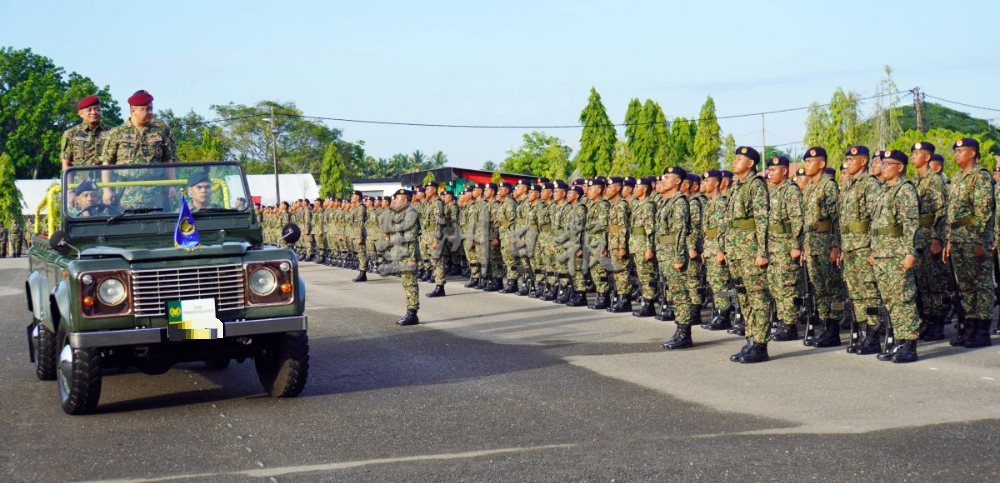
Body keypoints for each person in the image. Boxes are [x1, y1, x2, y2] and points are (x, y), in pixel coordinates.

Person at [868, 150, 921, 362]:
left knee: (903, 299)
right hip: (882, 254)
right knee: (890, 300)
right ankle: (898, 341)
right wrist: (873, 250)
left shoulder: (905, 190)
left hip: (897, 254)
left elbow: (910, 224)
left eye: (888, 163)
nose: (883, 166)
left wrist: (909, 252)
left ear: (900, 167)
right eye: (883, 162)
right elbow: (876, 225)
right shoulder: (883, 190)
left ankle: (909, 344)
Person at [943, 138, 995, 348]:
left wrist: (979, 240)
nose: (956, 154)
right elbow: (952, 213)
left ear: (972, 153)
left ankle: (982, 330)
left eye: (961, 151)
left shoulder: (980, 176)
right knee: (966, 286)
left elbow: (983, 212)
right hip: (957, 239)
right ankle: (970, 327)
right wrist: (949, 239)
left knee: (980, 285)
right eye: (955, 151)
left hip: (973, 239)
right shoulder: (957, 178)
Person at [722, 147, 772, 363]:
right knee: (744, 296)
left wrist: (762, 251)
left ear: (751, 163)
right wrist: (726, 249)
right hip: (736, 251)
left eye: (740, 158)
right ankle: (751, 338)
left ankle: (760, 344)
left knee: (758, 297)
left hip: (751, 251)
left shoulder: (756, 185)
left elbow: (762, 221)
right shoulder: (736, 187)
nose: (735, 161)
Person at [837, 146, 884, 354]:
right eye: (846, 159)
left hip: (864, 245)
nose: (847, 163)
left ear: (863, 161)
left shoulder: (870, 184)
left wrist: (875, 248)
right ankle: (863, 331)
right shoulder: (848, 186)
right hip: (849, 246)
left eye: (851, 159)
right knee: (855, 292)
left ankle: (874, 334)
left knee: (869, 291)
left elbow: (876, 218)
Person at [101, 90, 178, 208]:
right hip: (125, 196)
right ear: (133, 111)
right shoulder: (117, 133)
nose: (150, 112)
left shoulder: (159, 131)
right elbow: (107, 162)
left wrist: (172, 184)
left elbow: (167, 160)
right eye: (146, 109)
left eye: (151, 109)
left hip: (156, 195)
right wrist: (107, 190)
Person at [801, 147, 845, 347]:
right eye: (806, 162)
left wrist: (836, 246)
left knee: (833, 287)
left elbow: (836, 219)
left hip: (827, 243)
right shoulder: (809, 187)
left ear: (821, 164)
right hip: (812, 244)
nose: (806, 165)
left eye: (810, 162)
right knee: (819, 288)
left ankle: (834, 327)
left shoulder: (829, 186)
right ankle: (825, 324)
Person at [911, 143, 950, 341]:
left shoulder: (934, 180)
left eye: (917, 153)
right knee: (923, 284)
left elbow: (941, 212)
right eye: (912, 153)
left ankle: (939, 321)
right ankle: (927, 319)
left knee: (937, 284)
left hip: (931, 237)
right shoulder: (915, 182)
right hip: (919, 238)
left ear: (927, 158)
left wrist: (937, 239)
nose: (913, 157)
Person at [764, 156, 805, 341]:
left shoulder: (791, 191)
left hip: (786, 245)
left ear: (785, 171)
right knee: (775, 285)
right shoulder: (772, 192)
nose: (769, 173)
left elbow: (797, 219)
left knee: (787, 286)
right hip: (773, 245)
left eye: (773, 170)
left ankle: (790, 325)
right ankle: (782, 321)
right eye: (769, 170)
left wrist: (796, 245)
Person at [657, 168, 694, 349]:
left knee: (680, 294)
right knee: (674, 292)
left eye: (667, 178)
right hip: (666, 253)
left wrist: (679, 256)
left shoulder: (679, 202)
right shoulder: (667, 201)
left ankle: (684, 333)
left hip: (674, 253)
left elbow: (679, 232)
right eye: (663, 177)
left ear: (678, 181)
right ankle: (680, 329)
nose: (663, 180)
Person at [385, 188, 421, 326]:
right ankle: (410, 311)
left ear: (405, 200)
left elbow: (410, 237)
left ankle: (412, 313)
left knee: (410, 283)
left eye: (397, 199)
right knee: (407, 283)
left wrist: (411, 258)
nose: (394, 201)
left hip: (408, 254)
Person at [61, 95, 112, 170]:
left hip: (105, 178)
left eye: (97, 109)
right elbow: (66, 162)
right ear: (81, 113)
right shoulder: (71, 133)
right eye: (89, 110)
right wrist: (69, 181)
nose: (94, 112)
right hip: (80, 180)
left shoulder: (112, 132)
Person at [630, 177, 658, 317]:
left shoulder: (648, 206)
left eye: (637, 187)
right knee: (642, 276)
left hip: (643, 246)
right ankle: (646, 302)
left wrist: (649, 248)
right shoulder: (638, 205)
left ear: (645, 189)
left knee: (647, 276)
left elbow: (650, 229)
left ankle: (649, 303)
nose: (634, 189)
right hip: (636, 245)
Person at [606, 177, 633, 313]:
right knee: (617, 272)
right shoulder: (614, 204)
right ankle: (621, 298)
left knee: (622, 272)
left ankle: (625, 300)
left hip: (618, 243)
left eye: (610, 187)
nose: (608, 190)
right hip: (613, 242)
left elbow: (623, 227)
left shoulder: (621, 205)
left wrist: (622, 246)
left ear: (617, 188)